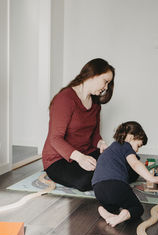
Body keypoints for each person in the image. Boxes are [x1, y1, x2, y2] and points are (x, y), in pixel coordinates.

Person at [42, 58, 115, 191]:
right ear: (93, 75)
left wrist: (101, 144)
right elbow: (55, 138)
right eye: (105, 82)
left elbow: (94, 135)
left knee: (121, 161)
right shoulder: (65, 99)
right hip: (58, 159)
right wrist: (80, 158)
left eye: (108, 84)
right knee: (86, 180)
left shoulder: (96, 103)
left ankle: (111, 175)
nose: (106, 88)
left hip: (86, 153)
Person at [92, 121, 158, 227]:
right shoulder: (126, 146)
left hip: (98, 189)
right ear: (131, 137)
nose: (137, 150)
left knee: (113, 205)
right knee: (137, 209)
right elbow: (135, 164)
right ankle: (122, 216)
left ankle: (105, 211)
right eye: (138, 145)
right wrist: (151, 178)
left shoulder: (110, 149)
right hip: (115, 185)